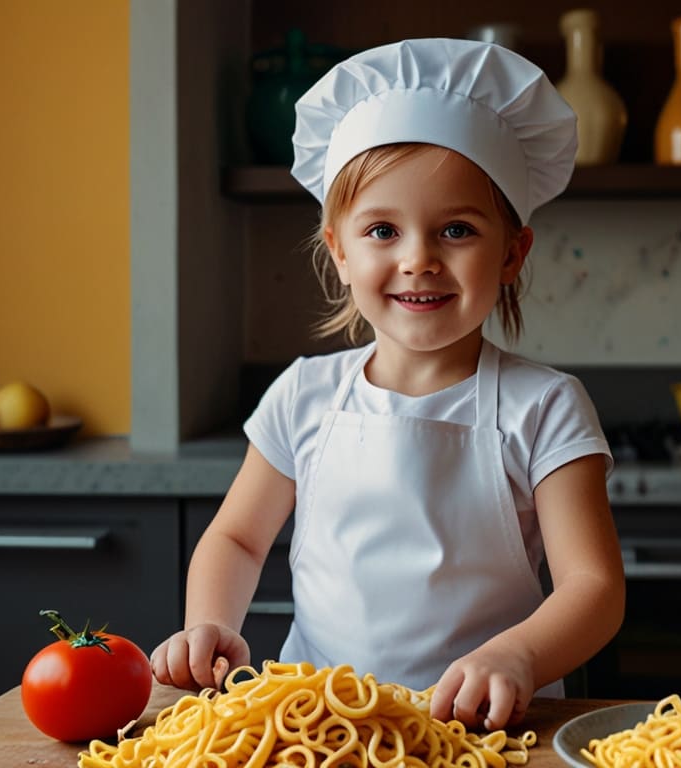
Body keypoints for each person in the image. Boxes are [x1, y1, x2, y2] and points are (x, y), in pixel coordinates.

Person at [151, 37, 625, 731]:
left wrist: (518, 655)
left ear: (511, 254)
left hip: (483, 732)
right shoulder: (302, 395)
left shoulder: (545, 407)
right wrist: (209, 624)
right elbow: (238, 540)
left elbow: (594, 587)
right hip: (315, 726)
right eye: (382, 230)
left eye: (456, 229)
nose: (418, 260)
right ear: (339, 249)